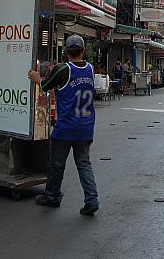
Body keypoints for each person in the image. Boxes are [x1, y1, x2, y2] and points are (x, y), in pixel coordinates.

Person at [28, 35, 99, 215]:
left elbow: (45, 86)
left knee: (57, 164)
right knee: (84, 163)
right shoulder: (90, 69)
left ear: (66, 51)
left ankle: (52, 197)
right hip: (85, 127)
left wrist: (37, 77)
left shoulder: (64, 69)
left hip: (66, 127)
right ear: (83, 51)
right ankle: (92, 199)